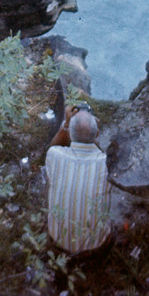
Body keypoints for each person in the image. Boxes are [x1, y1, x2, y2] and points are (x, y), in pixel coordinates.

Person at [45, 106, 111, 255]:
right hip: (95, 247)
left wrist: (67, 123)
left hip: (58, 243)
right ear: (98, 134)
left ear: (68, 132)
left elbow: (53, 147)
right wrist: (90, 132)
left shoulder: (54, 155)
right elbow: (99, 150)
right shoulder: (106, 164)